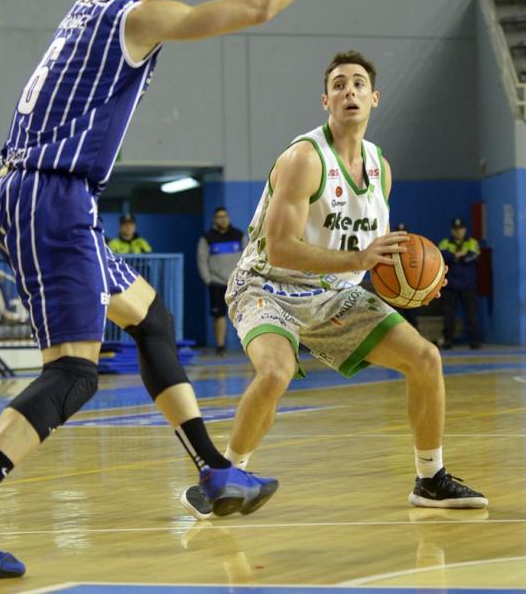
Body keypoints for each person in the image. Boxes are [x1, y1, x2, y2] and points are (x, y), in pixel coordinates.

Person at [0, 0, 371, 578]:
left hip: (35, 192)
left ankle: (216, 470)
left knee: (150, 320)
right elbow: (255, 6)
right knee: (73, 373)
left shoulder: (92, 2)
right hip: (53, 196)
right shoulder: (136, 19)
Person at [180, 50, 488, 519]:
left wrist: (418, 277)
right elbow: (280, 247)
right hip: (267, 285)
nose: (350, 91)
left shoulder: (380, 168)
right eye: (340, 84)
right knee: (276, 372)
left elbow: (374, 248)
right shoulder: (304, 158)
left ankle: (430, 478)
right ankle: (223, 478)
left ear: (374, 98)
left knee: (426, 358)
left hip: (332, 293)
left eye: (359, 83)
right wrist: (359, 258)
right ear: (326, 100)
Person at [197, 207, 247, 355]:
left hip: (238, 283)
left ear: (229, 218)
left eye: (224, 216)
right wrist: (208, 280)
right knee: (219, 316)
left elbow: (248, 256)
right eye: (219, 217)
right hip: (217, 284)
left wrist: (244, 277)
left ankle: (247, 345)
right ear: (214, 219)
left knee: (244, 315)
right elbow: (201, 260)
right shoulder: (207, 238)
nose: (222, 219)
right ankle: (220, 347)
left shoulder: (239, 235)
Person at [438, 218, 481, 351]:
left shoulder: (472, 243)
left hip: (468, 286)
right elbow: (442, 256)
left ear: (465, 229)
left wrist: (458, 257)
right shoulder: (445, 243)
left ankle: (474, 341)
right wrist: (457, 256)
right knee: (449, 315)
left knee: (471, 314)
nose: (458, 231)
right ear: (452, 230)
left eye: (461, 228)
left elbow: (473, 257)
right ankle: (448, 340)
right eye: (456, 229)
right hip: (451, 285)